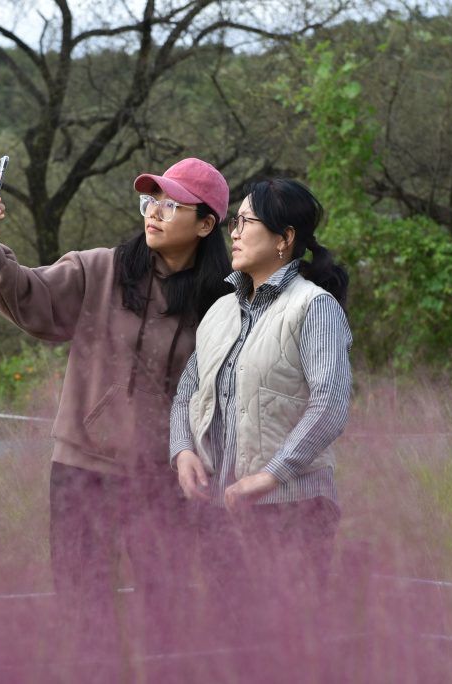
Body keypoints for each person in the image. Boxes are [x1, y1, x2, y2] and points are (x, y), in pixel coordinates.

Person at [0, 158, 231, 658]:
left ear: (205, 225)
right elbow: (31, 295)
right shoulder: (101, 269)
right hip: (82, 469)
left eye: (170, 206)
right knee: (82, 610)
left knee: (167, 612)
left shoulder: (221, 301)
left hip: (167, 477)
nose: (153, 213)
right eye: (150, 201)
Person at [169, 178, 352, 640]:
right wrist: (183, 450)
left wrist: (270, 475)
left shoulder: (314, 307)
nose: (233, 232)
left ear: (284, 238)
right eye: (234, 221)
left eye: (245, 221)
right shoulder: (221, 311)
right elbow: (187, 390)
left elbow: (330, 403)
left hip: (292, 512)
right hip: (221, 514)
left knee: (287, 650)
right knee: (230, 650)